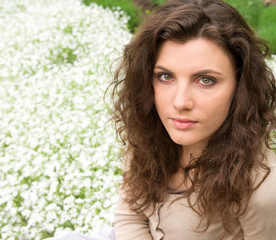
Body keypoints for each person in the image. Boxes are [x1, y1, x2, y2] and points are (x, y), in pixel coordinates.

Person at [111, 0, 276, 239]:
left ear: (241, 87)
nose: (180, 102)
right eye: (165, 76)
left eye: (206, 80)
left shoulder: (262, 188)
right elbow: (130, 215)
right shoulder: (150, 135)